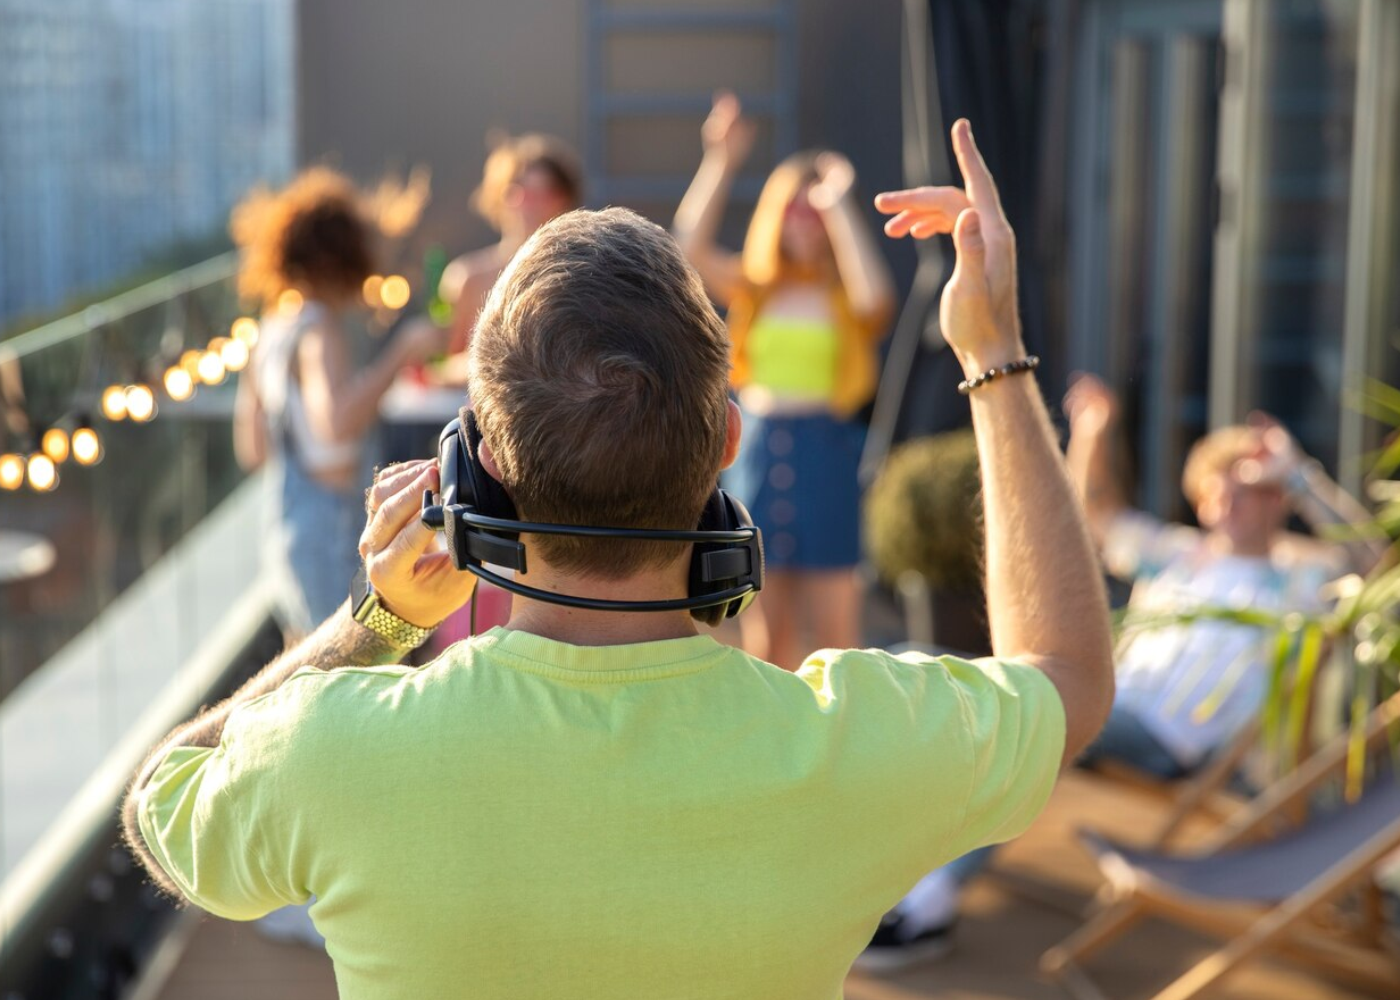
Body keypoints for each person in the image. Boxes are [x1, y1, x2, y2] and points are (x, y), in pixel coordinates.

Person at [124, 120, 1114, 999]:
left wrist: (374, 623)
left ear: (476, 466)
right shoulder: (849, 739)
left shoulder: (333, 748)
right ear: (726, 440)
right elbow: (1065, 677)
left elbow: (161, 796)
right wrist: (993, 358)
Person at [856, 371, 1385, 970]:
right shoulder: (1179, 555)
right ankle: (894, 867)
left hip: (1164, 736)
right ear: (1203, 497)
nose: (1237, 499)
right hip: (1107, 702)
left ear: (1279, 501)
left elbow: (1379, 565)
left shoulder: (1304, 576)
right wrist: (1092, 431)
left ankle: (924, 904)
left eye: (1257, 489)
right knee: (910, 661)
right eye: (1223, 487)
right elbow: (1084, 518)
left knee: (1019, 723)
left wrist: (1300, 473)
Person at [673, 92, 896, 668]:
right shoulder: (757, 284)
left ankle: (837, 753)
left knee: (837, 640)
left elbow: (878, 300)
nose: (804, 220)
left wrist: (840, 204)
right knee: (767, 642)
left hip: (825, 447)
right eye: (793, 208)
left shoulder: (844, 292)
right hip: (761, 448)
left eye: (813, 210)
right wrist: (720, 159)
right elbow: (687, 248)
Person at [232, 167, 442, 640]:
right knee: (353, 663)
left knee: (304, 664)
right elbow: (338, 424)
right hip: (331, 523)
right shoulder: (320, 328)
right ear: (343, 255)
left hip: (283, 522)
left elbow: (253, 450)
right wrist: (401, 352)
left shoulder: (270, 329)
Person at [438, 132, 582, 365]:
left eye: (544, 193)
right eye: (520, 191)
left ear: (563, 201)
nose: (530, 205)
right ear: (500, 195)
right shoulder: (468, 276)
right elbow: (443, 362)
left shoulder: (580, 275)